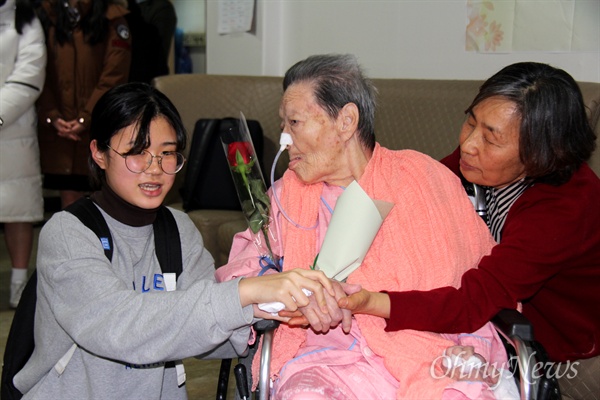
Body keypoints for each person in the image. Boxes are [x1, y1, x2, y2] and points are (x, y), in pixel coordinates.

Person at [216, 54, 515, 399]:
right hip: (326, 360)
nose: (283, 139)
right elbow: (239, 278)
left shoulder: (424, 178)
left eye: (294, 122)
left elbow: (475, 286)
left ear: (345, 121)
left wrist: (468, 344)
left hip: (433, 350)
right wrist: (283, 296)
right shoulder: (286, 197)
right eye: (282, 123)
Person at [12, 82, 336, 399]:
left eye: (167, 154)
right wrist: (243, 292)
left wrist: (264, 307)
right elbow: (121, 328)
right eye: (136, 153)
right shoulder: (69, 233)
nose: (155, 170)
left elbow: (209, 337)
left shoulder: (178, 230)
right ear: (98, 153)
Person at [338, 62, 600, 397]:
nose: (469, 144)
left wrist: (369, 301)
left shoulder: (565, 208)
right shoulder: (476, 162)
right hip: (481, 304)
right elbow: (415, 186)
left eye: (491, 139)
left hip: (552, 332)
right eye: (470, 122)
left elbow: (472, 302)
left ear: (541, 154)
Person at [35, 0, 132, 209]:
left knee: (105, 198)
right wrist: (52, 115)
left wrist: (86, 118)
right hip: (58, 130)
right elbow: (36, 72)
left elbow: (114, 76)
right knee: (69, 201)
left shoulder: (113, 19)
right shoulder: (45, 16)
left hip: (98, 125)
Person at [0, 0, 47, 308]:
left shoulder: (25, 19)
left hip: (12, 127)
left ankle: (18, 283)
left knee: (17, 208)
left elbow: (30, 74)